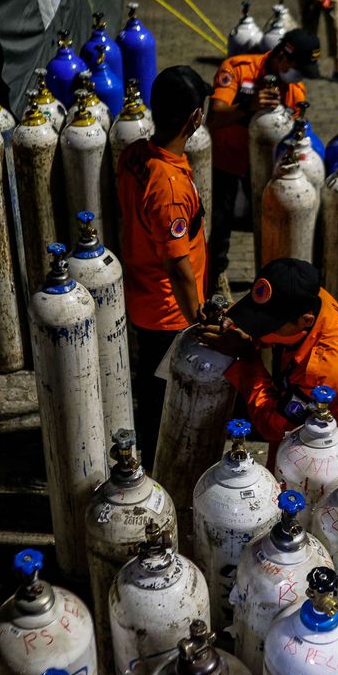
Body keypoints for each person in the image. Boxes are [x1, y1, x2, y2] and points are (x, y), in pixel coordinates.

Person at [117, 65, 212, 470]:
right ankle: (160, 469)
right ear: (195, 118)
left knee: (150, 387)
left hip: (141, 294)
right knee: (166, 400)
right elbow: (177, 267)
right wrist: (198, 323)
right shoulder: (169, 186)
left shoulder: (136, 154)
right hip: (167, 312)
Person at [198, 258, 338, 464]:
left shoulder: (319, 375)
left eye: (270, 324)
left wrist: (248, 358)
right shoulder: (314, 297)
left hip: (326, 460)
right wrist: (235, 321)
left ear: (304, 321)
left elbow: (273, 427)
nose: (261, 330)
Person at [207, 29, 320, 288]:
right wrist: (248, 106)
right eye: (298, 68)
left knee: (269, 222)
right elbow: (214, 117)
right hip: (225, 160)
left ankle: (269, 276)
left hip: (265, 167)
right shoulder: (237, 69)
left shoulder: (295, 90)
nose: (299, 76)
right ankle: (216, 278)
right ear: (283, 56)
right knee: (219, 224)